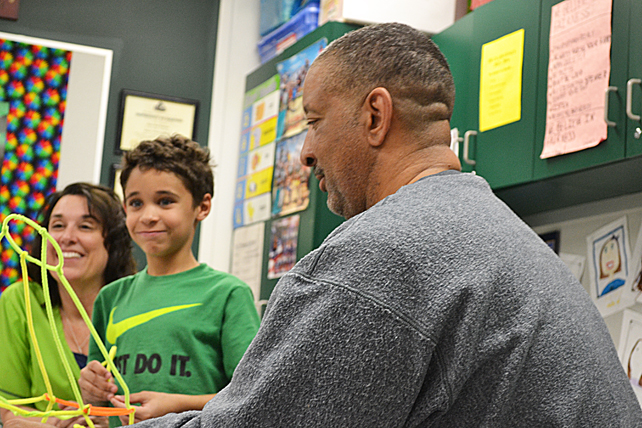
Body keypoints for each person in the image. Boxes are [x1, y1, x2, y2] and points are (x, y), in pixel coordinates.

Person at [123, 23, 642, 427]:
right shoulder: (503, 233)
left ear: (375, 116)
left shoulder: (380, 255)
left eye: (313, 122)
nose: (304, 153)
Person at [78, 135, 260, 426]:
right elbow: (97, 400)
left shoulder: (227, 294)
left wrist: (178, 406)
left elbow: (254, 394)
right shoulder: (110, 298)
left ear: (202, 206)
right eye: (136, 203)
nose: (148, 216)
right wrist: (91, 389)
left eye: (165, 201)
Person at [0, 183, 136, 427]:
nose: (66, 238)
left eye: (85, 226)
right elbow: (8, 409)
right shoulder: (20, 301)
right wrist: (58, 422)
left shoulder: (137, 306)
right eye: (57, 226)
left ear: (113, 243)